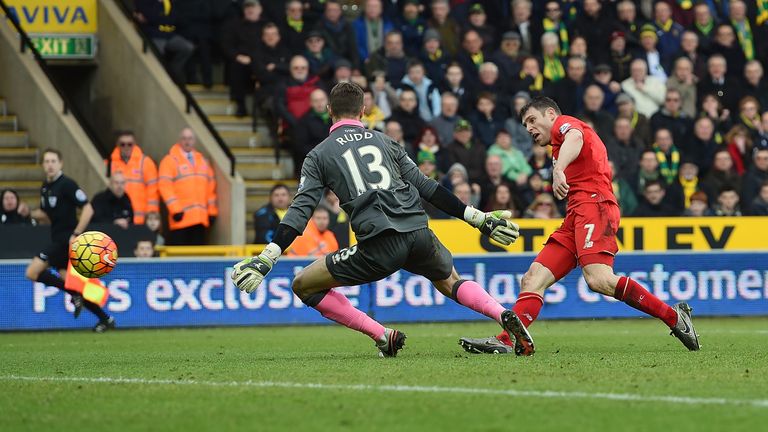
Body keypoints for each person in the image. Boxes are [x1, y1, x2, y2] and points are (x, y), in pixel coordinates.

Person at [231, 82, 526, 358]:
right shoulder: (387, 142)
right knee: (451, 281)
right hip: (419, 232)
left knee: (303, 284)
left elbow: (300, 211)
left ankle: (382, 335)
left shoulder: (318, 155)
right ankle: (501, 313)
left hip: (379, 243)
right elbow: (428, 187)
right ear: (363, 111)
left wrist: (268, 257)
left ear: (329, 112)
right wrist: (478, 218)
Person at [458, 97, 699, 355]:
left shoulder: (566, 125)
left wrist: (559, 169)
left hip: (595, 206)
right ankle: (508, 340)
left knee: (599, 279)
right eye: (525, 124)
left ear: (550, 114)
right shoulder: (556, 146)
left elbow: (576, 136)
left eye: (532, 120)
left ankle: (674, 318)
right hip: (576, 215)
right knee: (532, 279)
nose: (528, 128)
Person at [24, 149, 115, 332]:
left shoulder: (67, 184)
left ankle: (75, 296)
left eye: (53, 161)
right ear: (43, 165)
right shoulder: (45, 187)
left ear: (61, 163)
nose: (50, 165)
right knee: (74, 285)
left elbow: (88, 209)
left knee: (32, 272)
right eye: (47, 161)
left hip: (66, 240)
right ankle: (106, 319)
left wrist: (76, 233)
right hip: (57, 237)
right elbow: (46, 214)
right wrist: (29, 213)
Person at [158, 128, 218, 245]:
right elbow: (165, 186)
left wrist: (212, 212)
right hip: (180, 220)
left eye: (190, 138)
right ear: (179, 140)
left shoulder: (202, 161)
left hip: (200, 220)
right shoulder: (170, 160)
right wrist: (175, 210)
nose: (187, 141)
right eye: (184, 138)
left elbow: (210, 188)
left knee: (197, 257)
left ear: (194, 141)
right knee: (180, 256)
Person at [133, 0, 194, 84]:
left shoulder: (169, 2)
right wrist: (159, 8)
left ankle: (173, 71)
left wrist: (159, 18)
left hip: (169, 34)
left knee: (188, 47)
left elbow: (175, 18)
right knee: (158, 53)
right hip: (154, 34)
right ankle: (160, 78)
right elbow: (151, 16)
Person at [105, 130, 159, 225]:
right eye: (123, 144)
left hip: (141, 220)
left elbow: (153, 193)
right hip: (118, 219)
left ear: (134, 144)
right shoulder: (110, 163)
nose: (126, 147)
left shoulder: (146, 163)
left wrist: (151, 217)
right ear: (117, 145)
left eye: (129, 144)